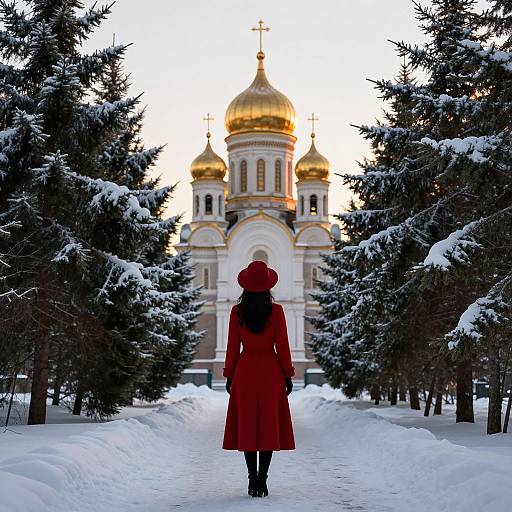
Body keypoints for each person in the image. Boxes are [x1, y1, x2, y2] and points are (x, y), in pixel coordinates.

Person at [222, 260, 296, 498]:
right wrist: (287, 374)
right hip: (270, 372)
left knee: (247, 424)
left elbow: (232, 346)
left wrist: (229, 374)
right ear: (268, 286)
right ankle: (262, 479)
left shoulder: (237, 312)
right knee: (267, 425)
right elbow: (282, 345)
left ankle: (251, 478)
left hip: (244, 371)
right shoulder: (277, 312)